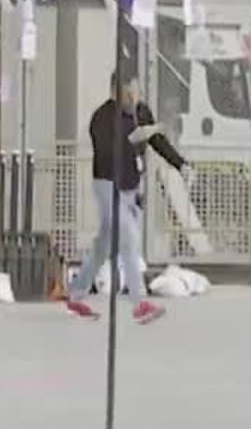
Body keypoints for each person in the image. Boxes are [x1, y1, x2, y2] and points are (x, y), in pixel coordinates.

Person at [66, 71, 188, 323]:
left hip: (130, 187)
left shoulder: (141, 112)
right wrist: (132, 139)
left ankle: (75, 295)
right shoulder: (102, 118)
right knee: (129, 238)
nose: (133, 97)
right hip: (107, 185)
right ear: (114, 92)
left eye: (136, 92)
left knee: (102, 246)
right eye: (127, 93)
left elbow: (157, 141)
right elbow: (107, 151)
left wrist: (180, 164)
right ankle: (139, 303)